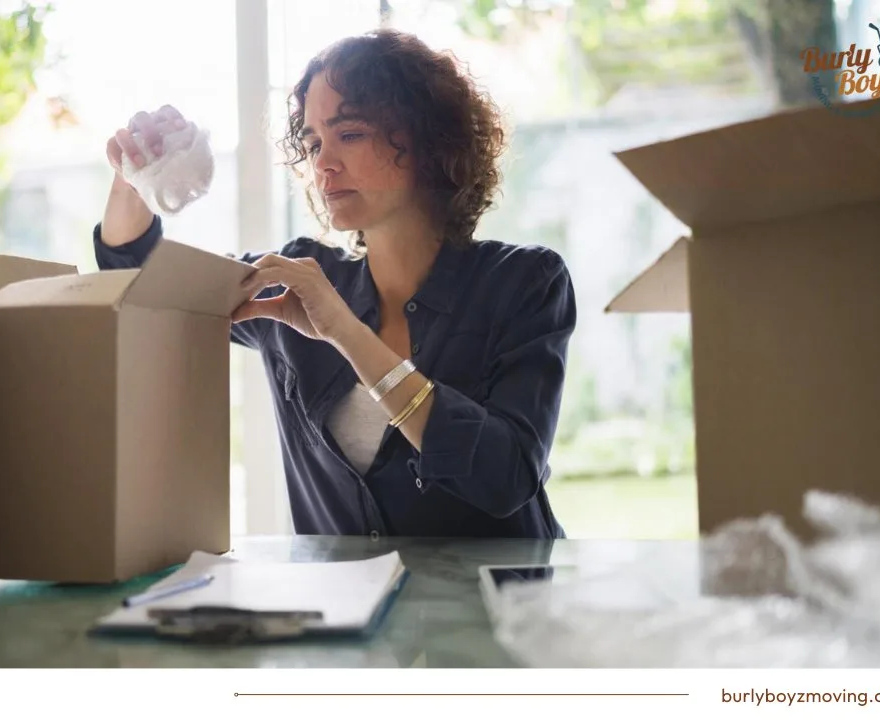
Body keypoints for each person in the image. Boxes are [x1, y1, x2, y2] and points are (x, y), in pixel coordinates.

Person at [93, 29, 576, 539]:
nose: (323, 163)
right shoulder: (297, 277)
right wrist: (133, 179)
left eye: (350, 134)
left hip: (497, 590)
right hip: (342, 594)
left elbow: (505, 478)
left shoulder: (524, 282)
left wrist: (345, 331)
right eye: (313, 143)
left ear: (428, 139)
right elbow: (143, 282)